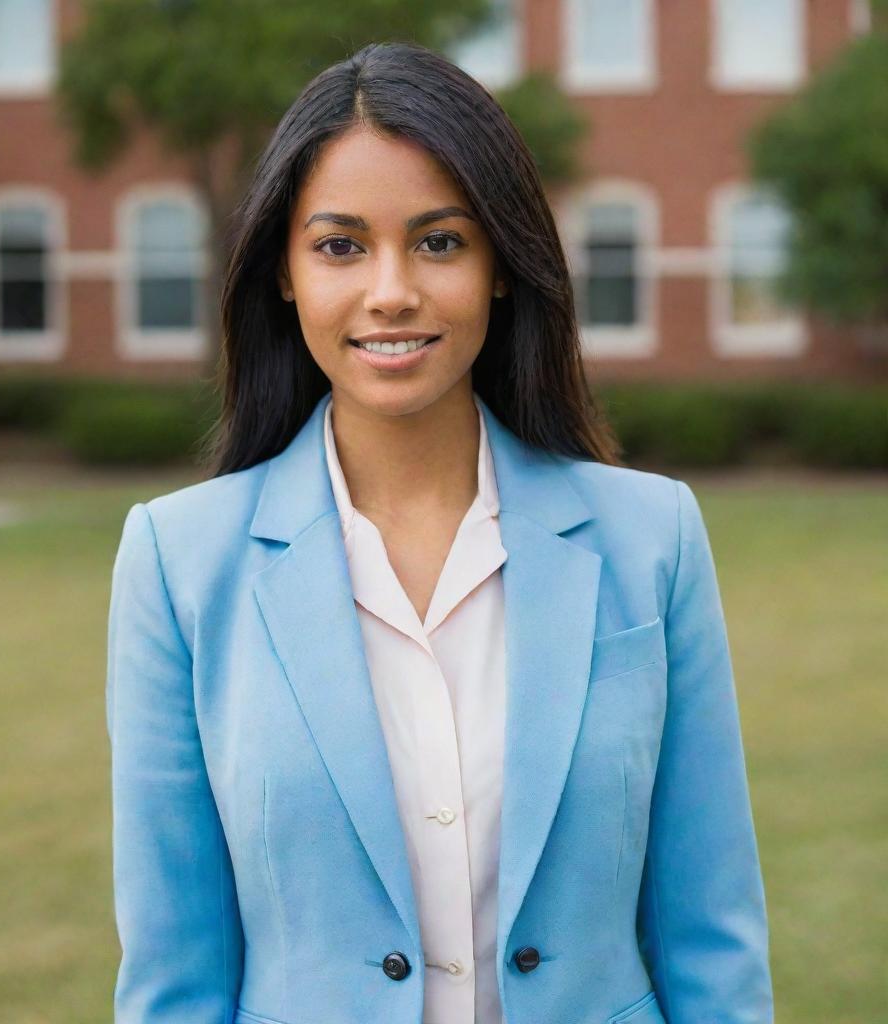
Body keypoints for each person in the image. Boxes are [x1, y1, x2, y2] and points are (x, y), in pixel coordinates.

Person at [105, 40, 773, 1024]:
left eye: (439, 241)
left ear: (501, 265)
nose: (390, 291)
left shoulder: (651, 538)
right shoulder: (178, 561)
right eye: (339, 245)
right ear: (283, 275)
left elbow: (711, 934)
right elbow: (175, 973)